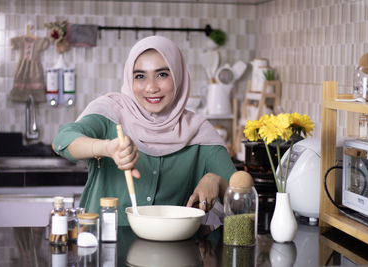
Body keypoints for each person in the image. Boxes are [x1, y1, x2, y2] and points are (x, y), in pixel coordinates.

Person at [52, 35, 237, 226]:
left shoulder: (198, 132)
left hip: (172, 251)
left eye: (162, 74)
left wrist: (216, 180)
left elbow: (242, 196)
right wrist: (107, 148)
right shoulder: (111, 112)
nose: (151, 87)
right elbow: (62, 140)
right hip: (100, 246)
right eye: (140, 76)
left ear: (179, 76)